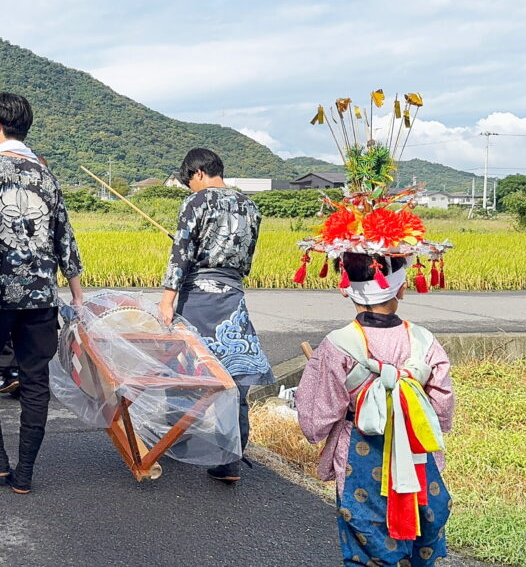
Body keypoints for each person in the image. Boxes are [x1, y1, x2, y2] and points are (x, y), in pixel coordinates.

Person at [0, 92, 85, 494]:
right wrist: (76, 296)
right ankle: (25, 473)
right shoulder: (45, 174)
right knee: (35, 380)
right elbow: (65, 239)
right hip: (40, 297)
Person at [296, 253, 454, 566]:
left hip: (360, 449)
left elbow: (316, 416)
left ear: (346, 288)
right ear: (402, 288)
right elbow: (442, 406)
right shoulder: (424, 341)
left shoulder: (337, 344)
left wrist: (318, 429)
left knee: (365, 534)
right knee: (422, 529)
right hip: (416, 451)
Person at [159, 148, 271, 484]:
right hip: (233, 297)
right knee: (234, 378)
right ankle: (231, 459)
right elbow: (246, 260)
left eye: (189, 181)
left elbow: (181, 254)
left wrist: (167, 300)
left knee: (181, 371)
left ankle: (174, 441)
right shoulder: (249, 205)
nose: (191, 188)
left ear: (197, 173)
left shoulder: (197, 202)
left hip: (198, 299)